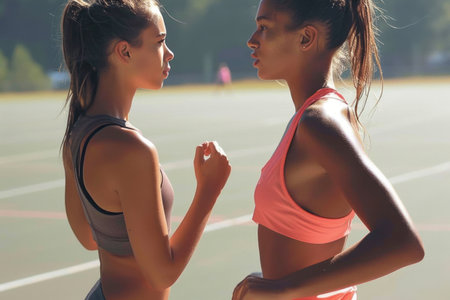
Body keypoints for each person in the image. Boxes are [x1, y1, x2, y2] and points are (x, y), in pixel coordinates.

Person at [233, 0, 424, 299]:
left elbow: (403, 242)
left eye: (264, 28)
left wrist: (283, 288)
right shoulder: (312, 118)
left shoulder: (320, 123)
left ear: (306, 38)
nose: (252, 39)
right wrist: (269, 281)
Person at [60, 1, 231, 299]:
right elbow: (162, 273)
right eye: (160, 42)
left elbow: (90, 237)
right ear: (124, 52)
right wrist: (209, 190)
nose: (169, 53)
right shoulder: (132, 149)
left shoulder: (78, 133)